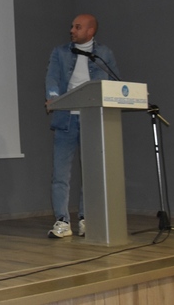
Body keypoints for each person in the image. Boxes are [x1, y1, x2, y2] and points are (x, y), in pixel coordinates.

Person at [44, 14, 119, 238]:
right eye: (72, 26)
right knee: (60, 174)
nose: (72, 30)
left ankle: (87, 218)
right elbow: (52, 78)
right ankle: (62, 221)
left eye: (78, 27)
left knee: (91, 173)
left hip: (93, 120)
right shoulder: (60, 52)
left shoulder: (104, 53)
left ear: (90, 31)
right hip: (66, 119)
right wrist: (53, 97)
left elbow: (114, 82)